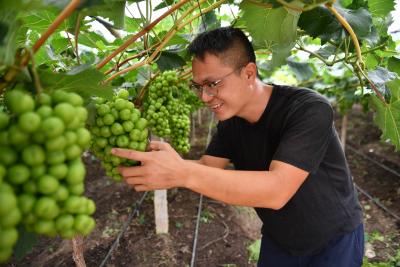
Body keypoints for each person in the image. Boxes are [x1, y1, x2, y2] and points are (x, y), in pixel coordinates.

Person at [111, 27, 364, 266]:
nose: (204, 97)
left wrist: (181, 173)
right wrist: (154, 164)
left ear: (249, 73)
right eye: (198, 86)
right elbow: (207, 167)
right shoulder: (231, 123)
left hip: (333, 240)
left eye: (213, 84)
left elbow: (277, 190)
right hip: (280, 238)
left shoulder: (308, 109)